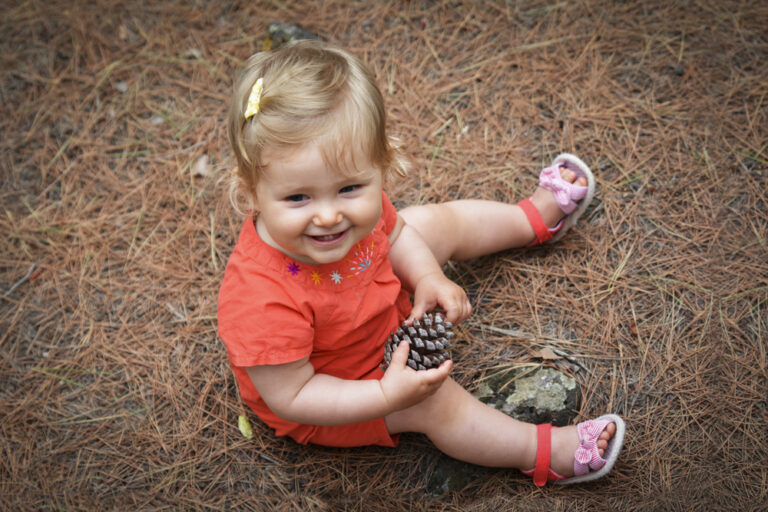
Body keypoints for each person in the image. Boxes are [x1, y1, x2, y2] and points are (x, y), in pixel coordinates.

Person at [218, 40, 625, 486]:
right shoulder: (260, 299)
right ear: (251, 192)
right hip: (345, 385)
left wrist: (428, 275)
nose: (329, 215)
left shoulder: (346, 222)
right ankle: (541, 450)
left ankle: (528, 219)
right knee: (435, 404)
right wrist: (385, 394)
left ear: (381, 165)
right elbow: (293, 396)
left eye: (350, 188)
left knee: (429, 223)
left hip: (375, 300)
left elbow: (393, 235)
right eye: (298, 197)